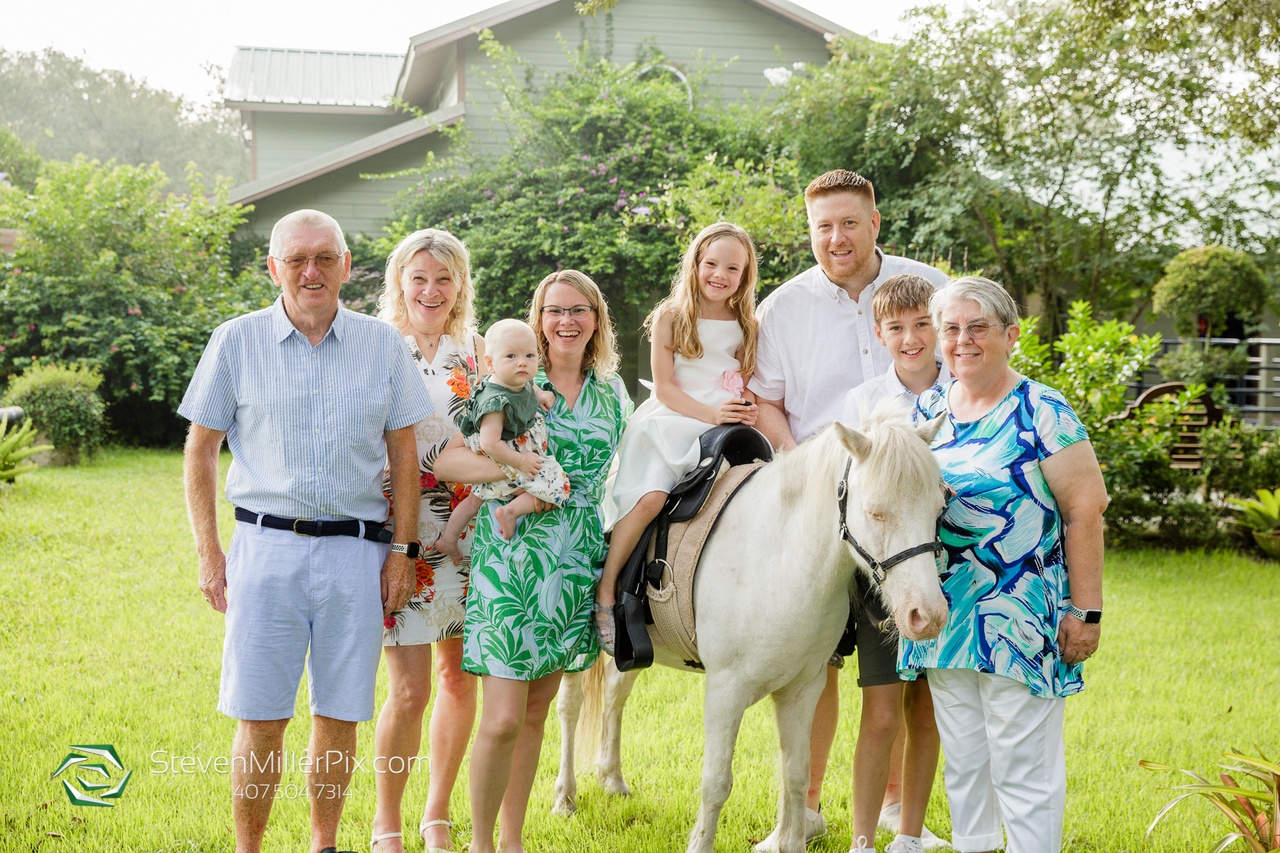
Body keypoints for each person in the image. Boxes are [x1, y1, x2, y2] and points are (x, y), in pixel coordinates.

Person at [180, 209, 432, 853]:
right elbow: (200, 449)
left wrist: (403, 553)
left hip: (356, 551)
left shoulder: (383, 346)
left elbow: (405, 455)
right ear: (274, 267)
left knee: (339, 714)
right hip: (264, 550)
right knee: (261, 717)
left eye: (325, 257)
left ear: (347, 266)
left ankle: (324, 844)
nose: (311, 271)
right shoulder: (235, 342)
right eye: (296, 259)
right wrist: (211, 554)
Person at [747, 170, 949, 853]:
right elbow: (766, 399)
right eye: (821, 227)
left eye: (848, 223)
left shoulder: (929, 289)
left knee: (901, 670)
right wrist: (811, 466)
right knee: (817, 663)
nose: (835, 238)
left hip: (910, 516)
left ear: (875, 222)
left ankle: (896, 804)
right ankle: (805, 803)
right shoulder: (782, 307)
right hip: (823, 515)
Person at [900, 276, 1107, 853]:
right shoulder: (930, 408)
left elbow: (1086, 508)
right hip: (947, 616)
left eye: (978, 328)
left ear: (1010, 335)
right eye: (951, 329)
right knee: (964, 761)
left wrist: (1085, 611)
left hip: (1021, 617)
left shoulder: (1042, 409)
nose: (962, 340)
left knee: (1023, 767)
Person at [433, 269, 632, 853]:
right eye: (554, 310)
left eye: (580, 310)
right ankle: (480, 845)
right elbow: (449, 464)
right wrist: (534, 473)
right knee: (499, 718)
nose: (566, 321)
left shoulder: (612, 391)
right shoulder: (511, 375)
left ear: (597, 319)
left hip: (576, 558)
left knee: (537, 712)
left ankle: (513, 841)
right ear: (538, 319)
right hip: (513, 556)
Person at [370, 229, 484, 853]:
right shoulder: (376, 345)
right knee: (410, 690)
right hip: (402, 528)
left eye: (444, 278)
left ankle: (435, 816)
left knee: (460, 680)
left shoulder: (479, 349)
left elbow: (500, 431)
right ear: (400, 282)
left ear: (460, 284)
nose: (431, 290)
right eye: (419, 277)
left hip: (467, 534)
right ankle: (386, 821)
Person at [597, 221, 760, 653]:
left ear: (745, 276)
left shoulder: (746, 321)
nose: (719, 275)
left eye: (732, 268)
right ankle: (608, 587)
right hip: (671, 420)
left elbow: (743, 381)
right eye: (711, 264)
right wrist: (712, 412)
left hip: (723, 422)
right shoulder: (671, 317)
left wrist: (744, 405)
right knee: (651, 498)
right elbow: (666, 387)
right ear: (695, 264)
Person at [835, 274, 951, 853]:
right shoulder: (865, 403)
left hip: (940, 567)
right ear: (879, 334)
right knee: (880, 712)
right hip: (882, 575)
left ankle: (909, 832)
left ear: (939, 327)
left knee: (924, 708)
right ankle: (861, 836)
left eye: (922, 324)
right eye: (897, 328)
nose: (911, 338)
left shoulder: (960, 395)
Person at [438, 318, 569, 551]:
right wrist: (521, 461)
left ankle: (448, 540)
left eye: (529, 356)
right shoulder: (496, 402)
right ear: (490, 363)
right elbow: (490, 444)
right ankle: (510, 511)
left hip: (508, 452)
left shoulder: (517, 381)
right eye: (511, 356)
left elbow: (530, 386)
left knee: (473, 501)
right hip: (504, 454)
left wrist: (541, 395)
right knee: (554, 485)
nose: (522, 363)